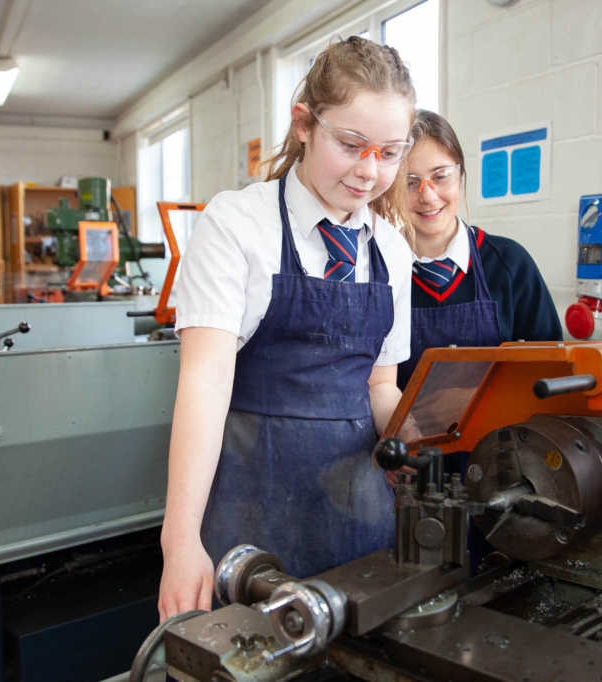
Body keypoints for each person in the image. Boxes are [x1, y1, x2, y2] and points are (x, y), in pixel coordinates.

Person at [157, 36, 417, 621]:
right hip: (250, 513)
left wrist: (417, 439)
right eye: (351, 144)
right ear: (304, 123)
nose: (369, 171)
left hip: (358, 514)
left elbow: (379, 386)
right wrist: (180, 540)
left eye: (390, 152)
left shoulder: (393, 251)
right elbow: (204, 385)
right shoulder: (236, 225)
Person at [397, 109, 562, 394]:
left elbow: (549, 374)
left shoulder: (510, 265)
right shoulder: (377, 270)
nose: (427, 195)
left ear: (460, 175)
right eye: (410, 182)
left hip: (501, 437)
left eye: (441, 176)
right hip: (403, 436)